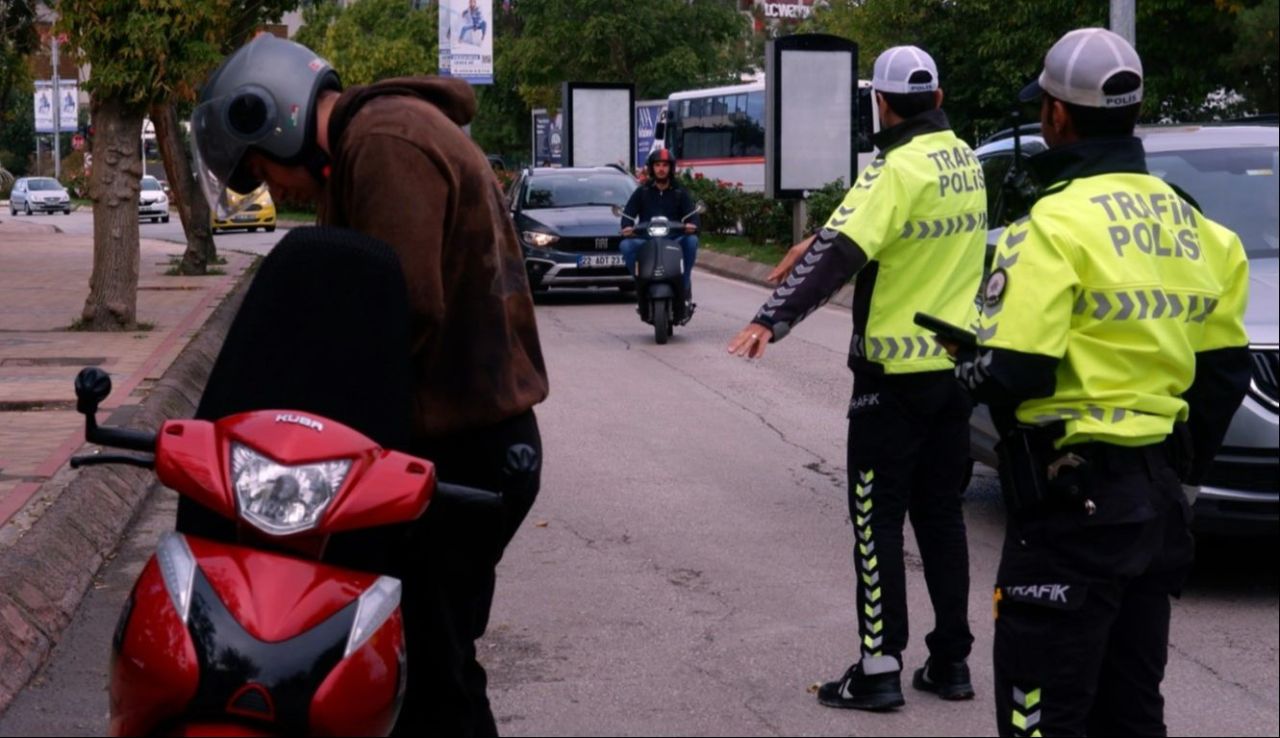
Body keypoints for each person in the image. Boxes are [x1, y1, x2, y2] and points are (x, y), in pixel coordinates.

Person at [189, 34, 549, 737]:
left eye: (263, 168)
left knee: (431, 674)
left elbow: (395, 313)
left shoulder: (385, 144)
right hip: (451, 441)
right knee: (406, 660)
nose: (277, 189)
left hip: (461, 451)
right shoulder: (369, 140)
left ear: (278, 120)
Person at [950, 28, 1251, 736]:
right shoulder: (1203, 230)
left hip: (1070, 503)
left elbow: (1014, 369)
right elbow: (1224, 373)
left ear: (1057, 116)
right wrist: (1182, 475)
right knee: (1132, 711)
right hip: (1156, 505)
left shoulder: (1050, 227)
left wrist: (964, 367)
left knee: (1042, 714)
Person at [728, 45, 986, 711]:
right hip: (951, 376)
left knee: (876, 523)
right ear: (937, 95)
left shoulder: (896, 169)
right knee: (941, 519)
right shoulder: (962, 160)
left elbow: (842, 253)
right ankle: (951, 663)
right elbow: (866, 235)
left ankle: (878, 669)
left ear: (882, 101)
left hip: (891, 380)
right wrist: (804, 247)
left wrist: (770, 318)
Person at [619, 148, 701, 305]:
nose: (661, 169)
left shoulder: (680, 192)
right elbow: (627, 217)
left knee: (691, 241)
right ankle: (640, 283)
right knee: (626, 246)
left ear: (671, 168)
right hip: (646, 240)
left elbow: (694, 218)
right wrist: (627, 228)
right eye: (657, 165)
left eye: (665, 165)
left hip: (674, 239)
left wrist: (693, 226)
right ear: (652, 168)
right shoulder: (642, 192)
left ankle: (684, 284)